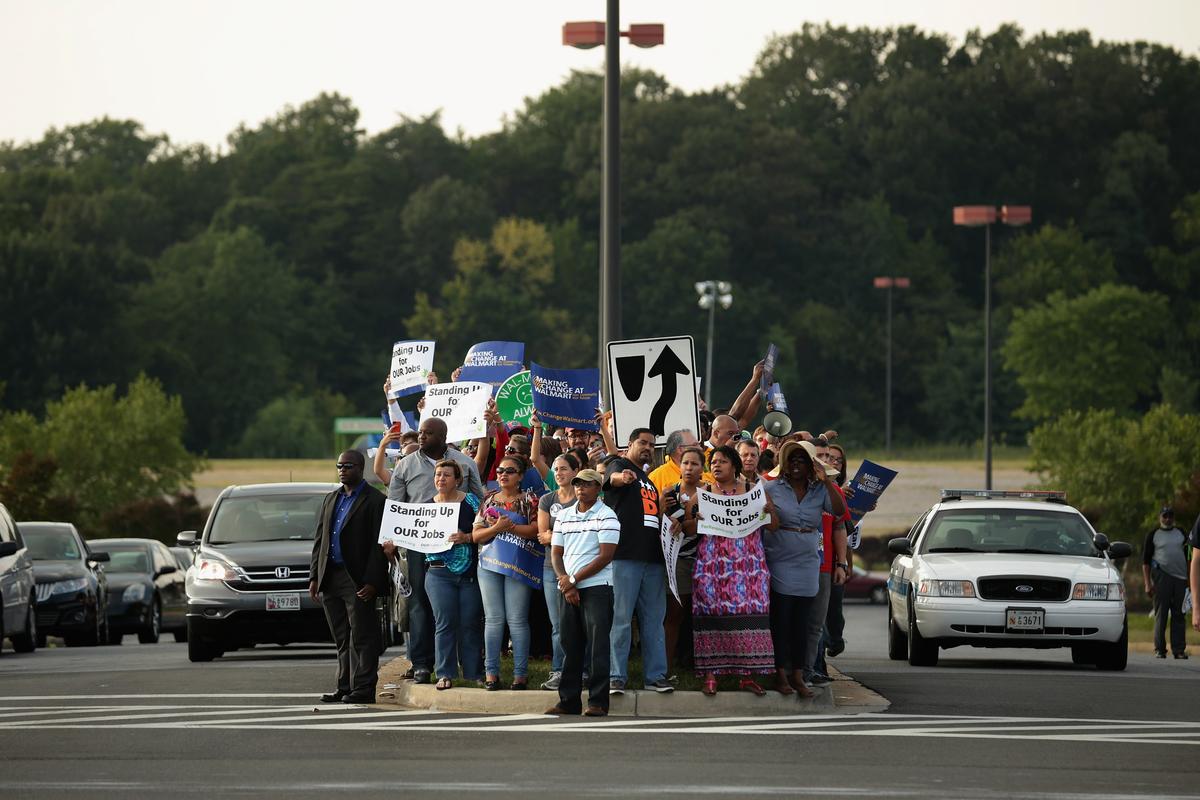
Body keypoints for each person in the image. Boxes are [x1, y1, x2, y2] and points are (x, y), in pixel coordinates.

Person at [387, 417, 485, 684]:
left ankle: (470, 666)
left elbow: (480, 499)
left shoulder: (463, 462)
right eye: (420, 432)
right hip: (420, 544)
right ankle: (421, 663)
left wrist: (475, 533)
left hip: (460, 547)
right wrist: (390, 540)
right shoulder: (406, 464)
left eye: (427, 433)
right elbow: (394, 504)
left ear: (442, 436)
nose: (421, 437)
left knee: (466, 614)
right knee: (419, 603)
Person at [683, 445, 777, 696]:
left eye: (722, 461)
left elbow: (774, 526)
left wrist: (770, 512)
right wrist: (697, 519)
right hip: (713, 565)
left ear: (734, 465)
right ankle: (711, 675)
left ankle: (747, 676)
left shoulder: (753, 492)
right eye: (713, 462)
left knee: (749, 614)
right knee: (712, 614)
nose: (715, 465)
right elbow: (688, 529)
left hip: (748, 567)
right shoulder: (702, 493)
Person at [762, 440, 845, 697]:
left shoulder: (820, 490)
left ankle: (799, 674)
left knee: (803, 622)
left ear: (811, 465)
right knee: (782, 620)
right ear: (784, 464)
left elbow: (840, 512)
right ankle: (780, 674)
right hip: (779, 558)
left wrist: (827, 482)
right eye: (792, 459)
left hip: (808, 561)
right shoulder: (771, 487)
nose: (796, 464)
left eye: (801, 460)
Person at [310, 450, 388, 704]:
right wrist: (314, 576)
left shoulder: (375, 500)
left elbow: (379, 546)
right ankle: (344, 686)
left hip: (357, 578)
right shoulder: (331, 498)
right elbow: (320, 540)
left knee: (362, 635)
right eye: (339, 465)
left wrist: (373, 581)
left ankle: (364, 688)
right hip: (330, 575)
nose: (342, 470)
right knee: (341, 636)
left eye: (348, 466)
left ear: (360, 467)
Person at [544, 468, 621, 717]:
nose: (581, 488)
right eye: (578, 484)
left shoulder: (608, 515)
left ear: (598, 489)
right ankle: (569, 701)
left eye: (587, 484)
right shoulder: (564, 516)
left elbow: (605, 556)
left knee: (598, 646)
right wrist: (566, 581)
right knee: (570, 644)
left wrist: (573, 580)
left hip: (598, 587)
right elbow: (556, 553)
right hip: (569, 588)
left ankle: (598, 702)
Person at [604, 427, 673, 695]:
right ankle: (616, 676)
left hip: (653, 559)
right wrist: (622, 477)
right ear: (629, 444)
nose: (647, 447)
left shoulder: (648, 479)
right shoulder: (618, 465)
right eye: (642, 442)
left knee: (654, 620)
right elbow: (611, 480)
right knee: (621, 619)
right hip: (624, 556)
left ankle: (655, 676)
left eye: (651, 444)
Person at [473, 455, 540, 689]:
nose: (503, 474)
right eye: (500, 470)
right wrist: (496, 528)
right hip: (489, 564)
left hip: (518, 565)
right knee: (493, 619)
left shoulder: (531, 500)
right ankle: (491, 673)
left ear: (520, 476)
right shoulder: (489, 499)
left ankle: (520, 675)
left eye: (509, 471)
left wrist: (508, 527)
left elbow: (536, 530)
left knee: (517, 620)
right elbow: (476, 535)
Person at [803, 442, 850, 685]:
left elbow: (840, 526)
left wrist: (841, 564)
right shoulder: (783, 487)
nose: (824, 460)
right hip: (793, 566)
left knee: (817, 625)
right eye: (819, 456)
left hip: (824, 566)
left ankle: (815, 669)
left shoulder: (833, 490)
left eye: (826, 456)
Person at [536, 452, 581, 690]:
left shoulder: (583, 498)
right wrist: (570, 533)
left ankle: (581, 670)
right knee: (558, 625)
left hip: (581, 568)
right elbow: (543, 536)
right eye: (556, 468)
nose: (559, 473)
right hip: (551, 568)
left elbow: (588, 532)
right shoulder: (547, 500)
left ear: (575, 471)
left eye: (564, 468)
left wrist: (557, 535)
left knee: (581, 622)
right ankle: (558, 671)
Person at [661, 445, 706, 677]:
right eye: (685, 463)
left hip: (705, 561)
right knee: (674, 615)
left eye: (694, 463)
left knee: (701, 616)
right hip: (677, 561)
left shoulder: (710, 493)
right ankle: (666, 668)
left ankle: (701, 667)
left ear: (702, 469)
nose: (689, 467)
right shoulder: (669, 493)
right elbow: (662, 524)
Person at [1143, 506, 1190, 658]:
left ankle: (1179, 650)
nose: (1168, 519)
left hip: (1181, 578)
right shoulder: (1153, 534)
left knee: (1179, 614)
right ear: (1160, 518)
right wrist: (1147, 583)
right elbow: (1145, 562)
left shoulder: (1181, 533)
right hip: (1162, 577)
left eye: (1170, 516)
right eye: (1165, 516)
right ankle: (1160, 649)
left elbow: (1190, 555)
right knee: (1161, 614)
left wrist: (1190, 578)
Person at [648, 428, 703, 497]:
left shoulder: (708, 476)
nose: (700, 448)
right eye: (695, 445)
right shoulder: (657, 477)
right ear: (680, 449)